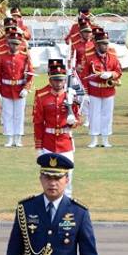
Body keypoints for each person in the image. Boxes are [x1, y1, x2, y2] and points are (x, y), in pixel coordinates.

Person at [32, 60, 80, 196]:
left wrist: (72, 121)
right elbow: (38, 123)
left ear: (65, 80)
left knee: (67, 177)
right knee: (49, 178)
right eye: (55, 80)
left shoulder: (71, 95)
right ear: (50, 80)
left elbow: (77, 119)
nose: (58, 83)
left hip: (65, 142)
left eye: (61, 80)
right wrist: (39, 147)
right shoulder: (41, 96)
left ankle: (67, 204)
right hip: (48, 143)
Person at [81, 28, 122, 148]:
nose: (106, 46)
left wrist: (111, 74)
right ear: (97, 44)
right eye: (103, 44)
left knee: (107, 115)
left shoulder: (112, 55)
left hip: (108, 90)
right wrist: (85, 93)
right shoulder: (89, 56)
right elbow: (84, 76)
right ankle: (94, 139)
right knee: (94, 115)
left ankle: (105, 139)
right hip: (94, 90)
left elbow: (118, 71)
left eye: (106, 43)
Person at [0, 27, 33, 147]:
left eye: (16, 44)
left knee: (19, 115)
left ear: (20, 44)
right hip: (6, 89)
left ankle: (18, 138)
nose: (14, 46)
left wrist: (26, 88)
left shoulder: (24, 56)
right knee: (8, 114)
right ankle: (9, 138)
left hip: (19, 89)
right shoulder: (1, 56)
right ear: (8, 43)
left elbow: (30, 73)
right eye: (12, 44)